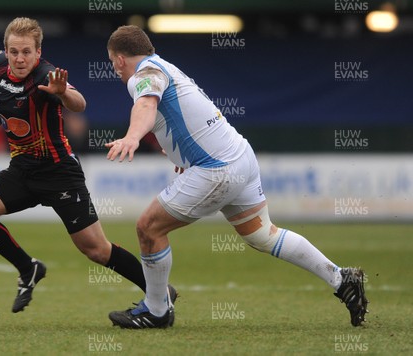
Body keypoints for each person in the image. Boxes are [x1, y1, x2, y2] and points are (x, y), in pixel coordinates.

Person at [104, 25, 368, 329]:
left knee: (148, 228)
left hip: (217, 168)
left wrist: (131, 137)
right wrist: (183, 156)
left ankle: (157, 310)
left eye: (112, 63)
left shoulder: (143, 74)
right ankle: (341, 278)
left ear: (120, 59)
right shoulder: (166, 67)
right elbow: (184, 116)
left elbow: (147, 105)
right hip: (240, 156)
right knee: (262, 234)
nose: (115, 71)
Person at [0, 18, 176, 315]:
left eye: (26, 52)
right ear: (5, 51)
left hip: (59, 173)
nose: (19, 58)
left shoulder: (47, 75)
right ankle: (29, 268)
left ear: (38, 52)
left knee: (96, 250)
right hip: (21, 170)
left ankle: (159, 292)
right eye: (14, 51)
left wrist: (62, 92)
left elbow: (80, 103)